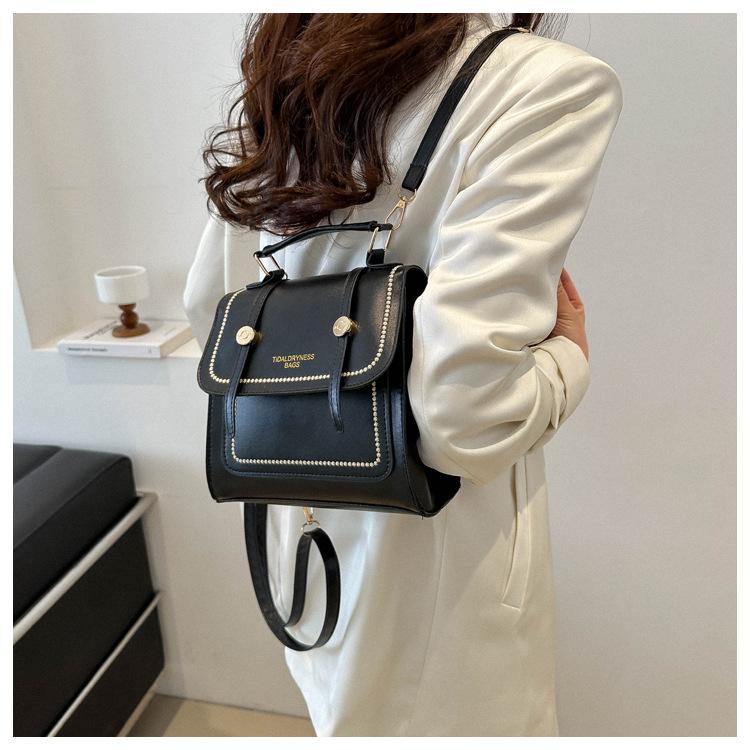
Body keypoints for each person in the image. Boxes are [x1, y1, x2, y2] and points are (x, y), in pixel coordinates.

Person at [184, 12, 622, 737]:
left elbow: (212, 307)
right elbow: (464, 419)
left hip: (298, 512)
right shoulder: (543, 84)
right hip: (440, 554)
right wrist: (567, 360)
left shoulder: (294, 63)